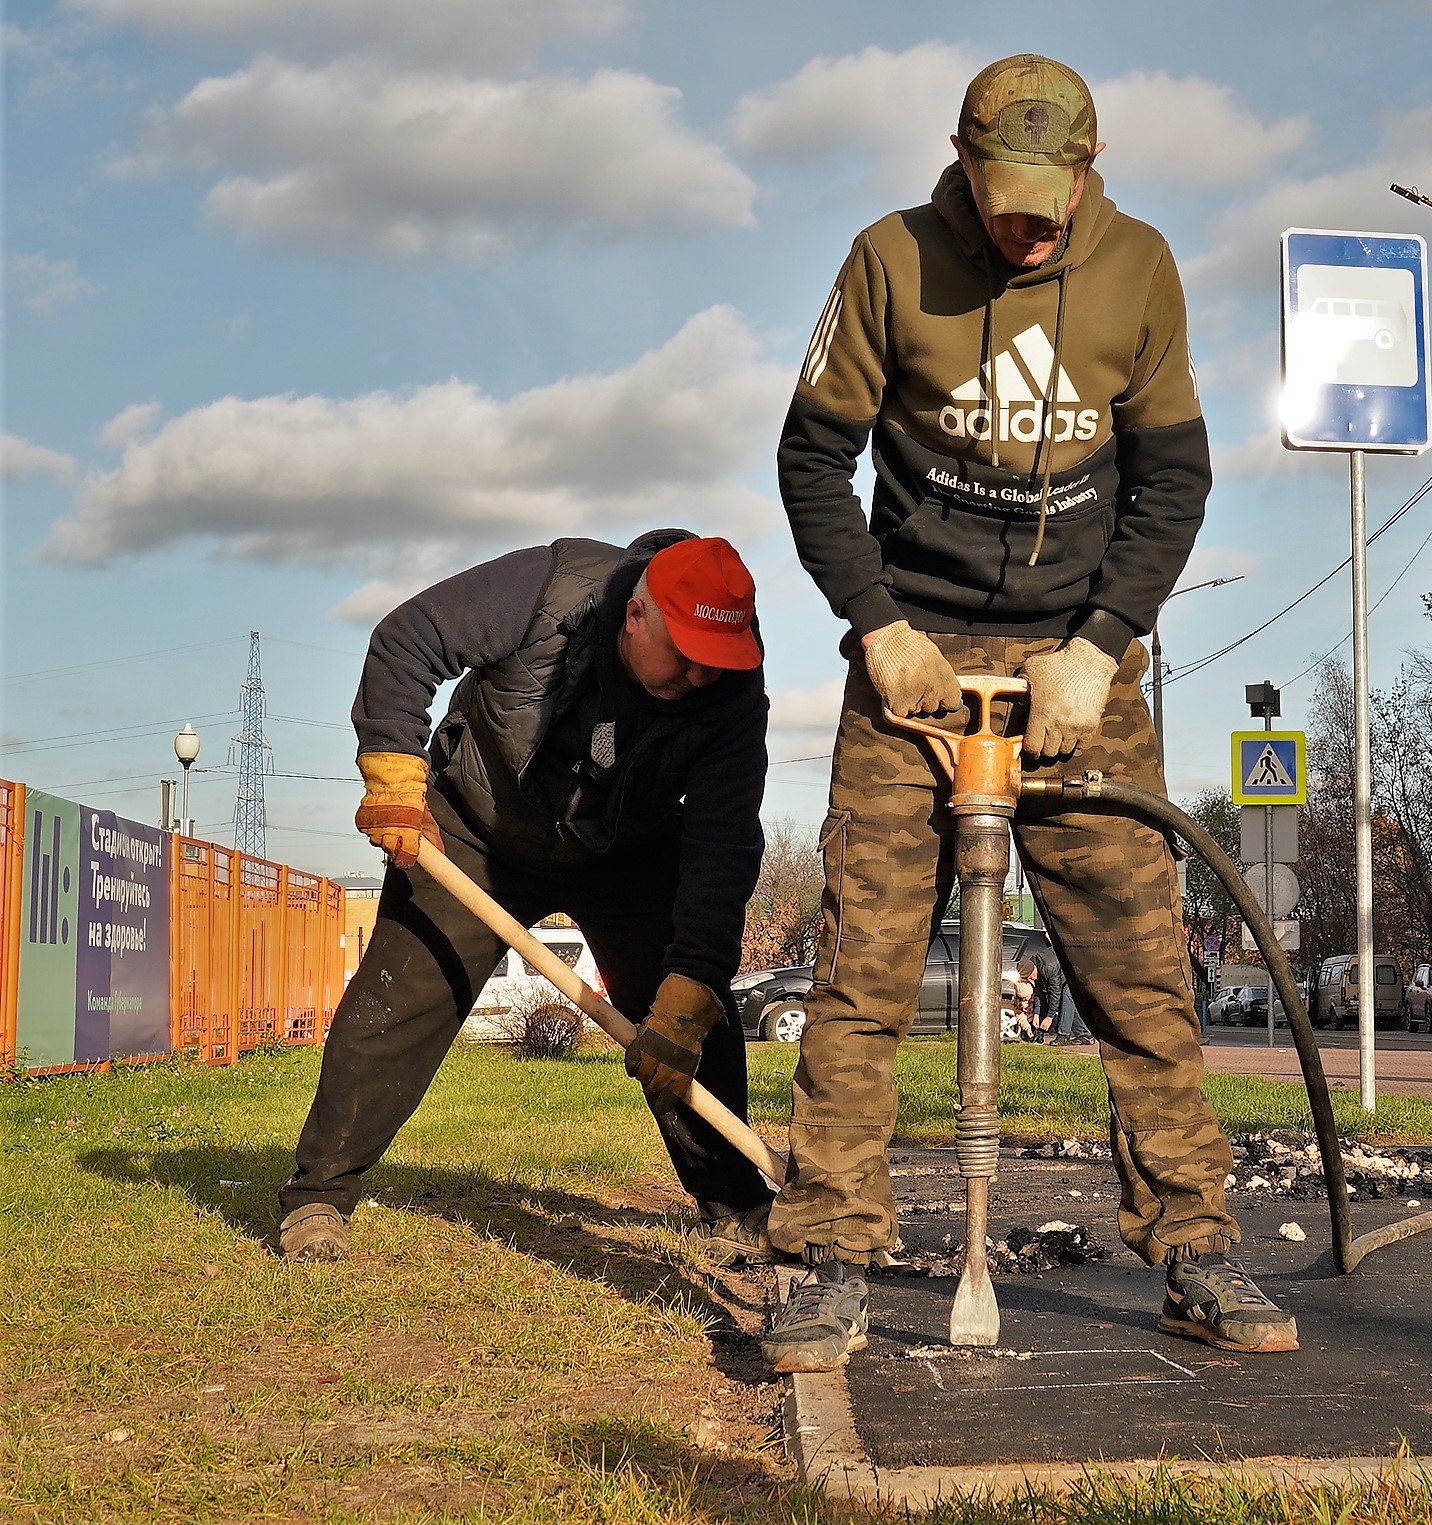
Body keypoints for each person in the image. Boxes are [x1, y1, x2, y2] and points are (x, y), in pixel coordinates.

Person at [763, 53, 1295, 1372]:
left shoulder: (1139, 269)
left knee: (1136, 969)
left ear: (1089, 174)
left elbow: (1174, 481)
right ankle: (826, 1256)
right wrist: (876, 630)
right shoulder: (887, 263)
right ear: (957, 161)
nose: (1028, 226)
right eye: (1004, 199)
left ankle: (1192, 1248)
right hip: (914, 663)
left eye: (1049, 204)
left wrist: (1099, 649)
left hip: (1075, 662)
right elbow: (809, 458)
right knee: (864, 966)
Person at [276, 531, 775, 1265]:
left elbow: (723, 840)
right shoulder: (549, 589)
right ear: (635, 615)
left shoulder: (730, 686)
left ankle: (738, 1205)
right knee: (398, 1003)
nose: (702, 675)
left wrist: (693, 977)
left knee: (690, 1023)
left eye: (718, 659)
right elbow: (406, 638)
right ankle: (318, 1194)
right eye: (687, 652)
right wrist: (392, 772)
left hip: (626, 853)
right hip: (478, 831)